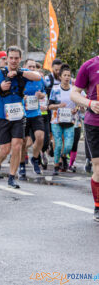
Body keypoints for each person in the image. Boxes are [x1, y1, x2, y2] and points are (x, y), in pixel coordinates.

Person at [0, 46, 41, 188]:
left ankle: (12, 177)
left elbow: (38, 76)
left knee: (17, 146)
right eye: (10, 58)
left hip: (18, 115)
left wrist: (18, 73)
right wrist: (0, 87)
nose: (13, 60)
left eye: (16, 58)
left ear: (20, 59)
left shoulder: (23, 72)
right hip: (2, 115)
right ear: (6, 58)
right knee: (4, 149)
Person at [71, 51, 99, 221]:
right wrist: (89, 103)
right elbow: (74, 93)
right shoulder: (89, 66)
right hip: (95, 123)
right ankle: (98, 205)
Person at [19, 59, 46, 179]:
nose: (32, 68)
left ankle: (35, 159)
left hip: (36, 112)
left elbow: (44, 93)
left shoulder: (39, 79)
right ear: (24, 67)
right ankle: (21, 164)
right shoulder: (20, 79)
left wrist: (41, 95)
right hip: (23, 114)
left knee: (40, 137)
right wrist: (22, 98)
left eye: (34, 67)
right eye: (29, 66)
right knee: (23, 142)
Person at [48, 64, 77, 175]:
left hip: (70, 121)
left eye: (69, 75)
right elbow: (49, 106)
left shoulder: (74, 90)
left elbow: (79, 104)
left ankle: (63, 156)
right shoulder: (55, 89)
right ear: (60, 77)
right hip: (57, 121)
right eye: (64, 75)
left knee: (68, 145)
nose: (67, 77)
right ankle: (56, 166)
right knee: (59, 143)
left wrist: (76, 109)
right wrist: (58, 106)